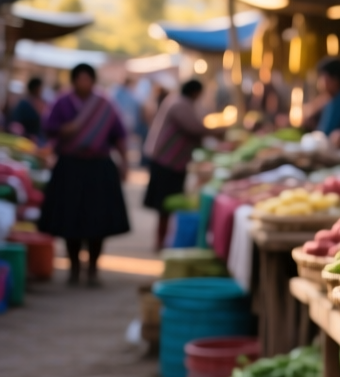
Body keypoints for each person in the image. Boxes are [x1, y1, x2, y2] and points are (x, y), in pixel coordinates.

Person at [40, 63, 131, 286]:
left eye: (87, 78)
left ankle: (92, 269)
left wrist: (125, 161)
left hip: (98, 168)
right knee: (70, 220)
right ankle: (73, 268)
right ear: (74, 81)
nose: (84, 83)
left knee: (97, 221)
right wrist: (64, 130)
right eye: (80, 79)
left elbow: (119, 135)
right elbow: (49, 128)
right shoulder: (62, 103)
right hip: (70, 167)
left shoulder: (105, 104)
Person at [143, 79, 224, 252]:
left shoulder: (178, 101)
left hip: (170, 161)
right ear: (195, 92)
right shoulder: (180, 104)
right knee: (165, 204)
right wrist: (219, 131)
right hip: (167, 162)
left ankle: (164, 240)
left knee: (167, 205)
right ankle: (160, 242)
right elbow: (194, 128)